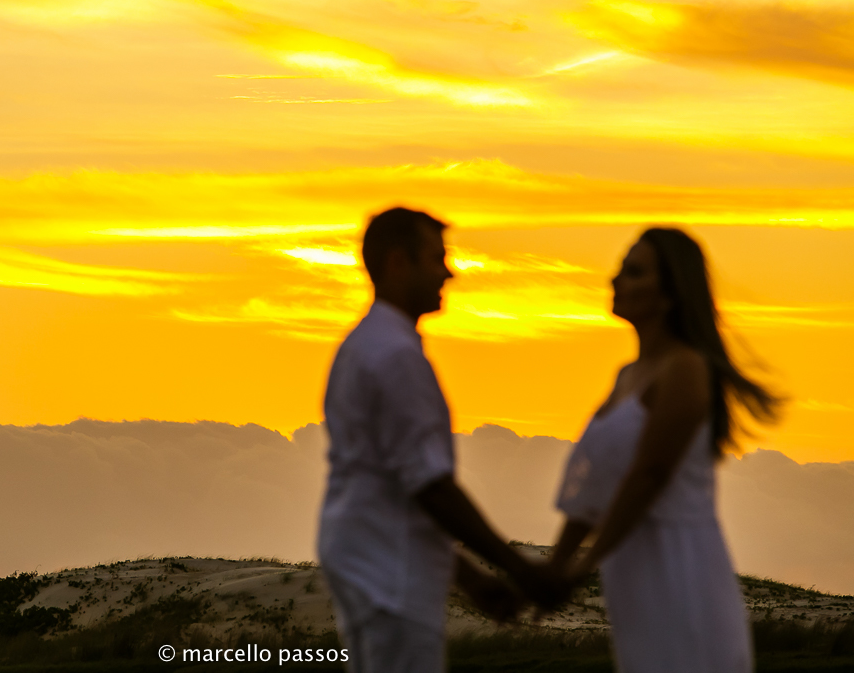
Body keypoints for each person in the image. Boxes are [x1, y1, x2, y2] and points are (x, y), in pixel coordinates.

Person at [318, 206, 562, 673]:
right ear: (396, 264)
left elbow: (397, 484)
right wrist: (520, 569)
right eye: (436, 259)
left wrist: (470, 578)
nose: (449, 273)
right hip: (391, 573)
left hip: (365, 555)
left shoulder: (359, 347)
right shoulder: (396, 358)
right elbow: (429, 486)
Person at [548, 227, 779, 673]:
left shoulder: (686, 368)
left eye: (633, 272)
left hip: (678, 565)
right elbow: (594, 486)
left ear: (672, 294)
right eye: (620, 269)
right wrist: (557, 565)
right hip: (632, 568)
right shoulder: (627, 377)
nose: (616, 280)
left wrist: (581, 568)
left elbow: (648, 475)